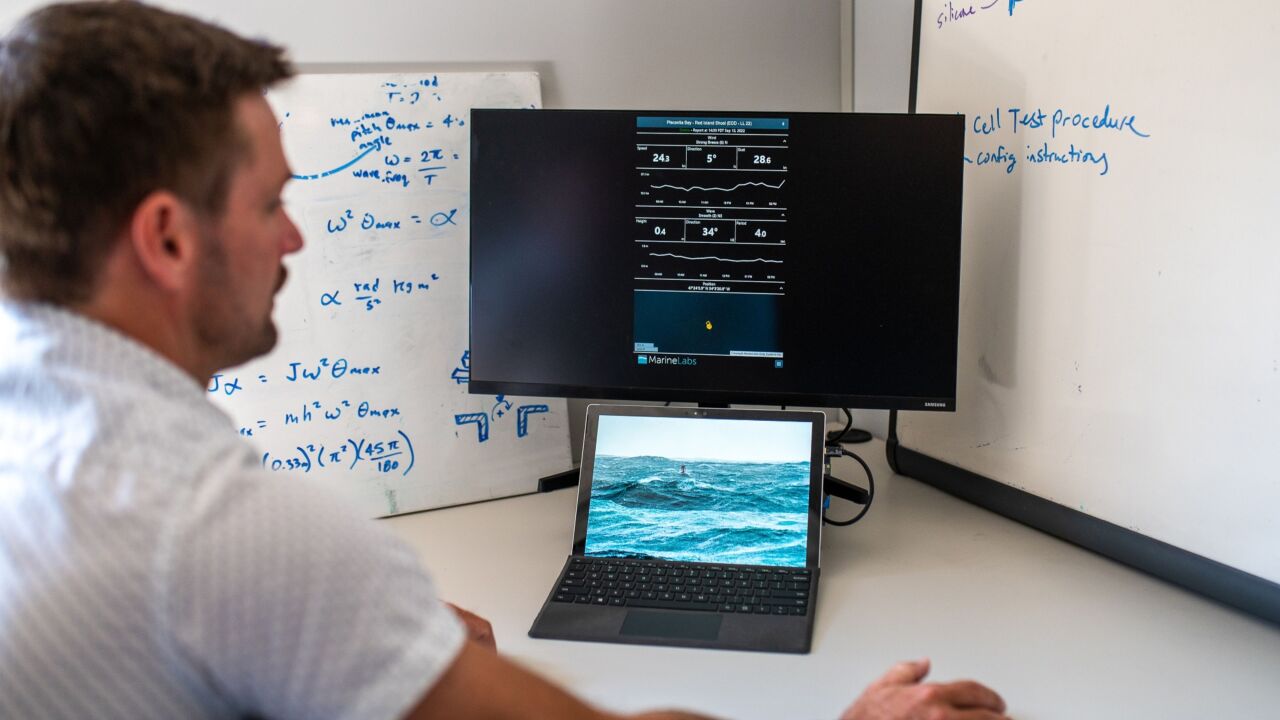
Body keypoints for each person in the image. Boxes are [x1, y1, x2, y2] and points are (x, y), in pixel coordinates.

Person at [0, 3, 1009, 719]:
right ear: (167, 239)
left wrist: (358, 641)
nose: (294, 240)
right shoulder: (230, 536)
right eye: (269, 203)